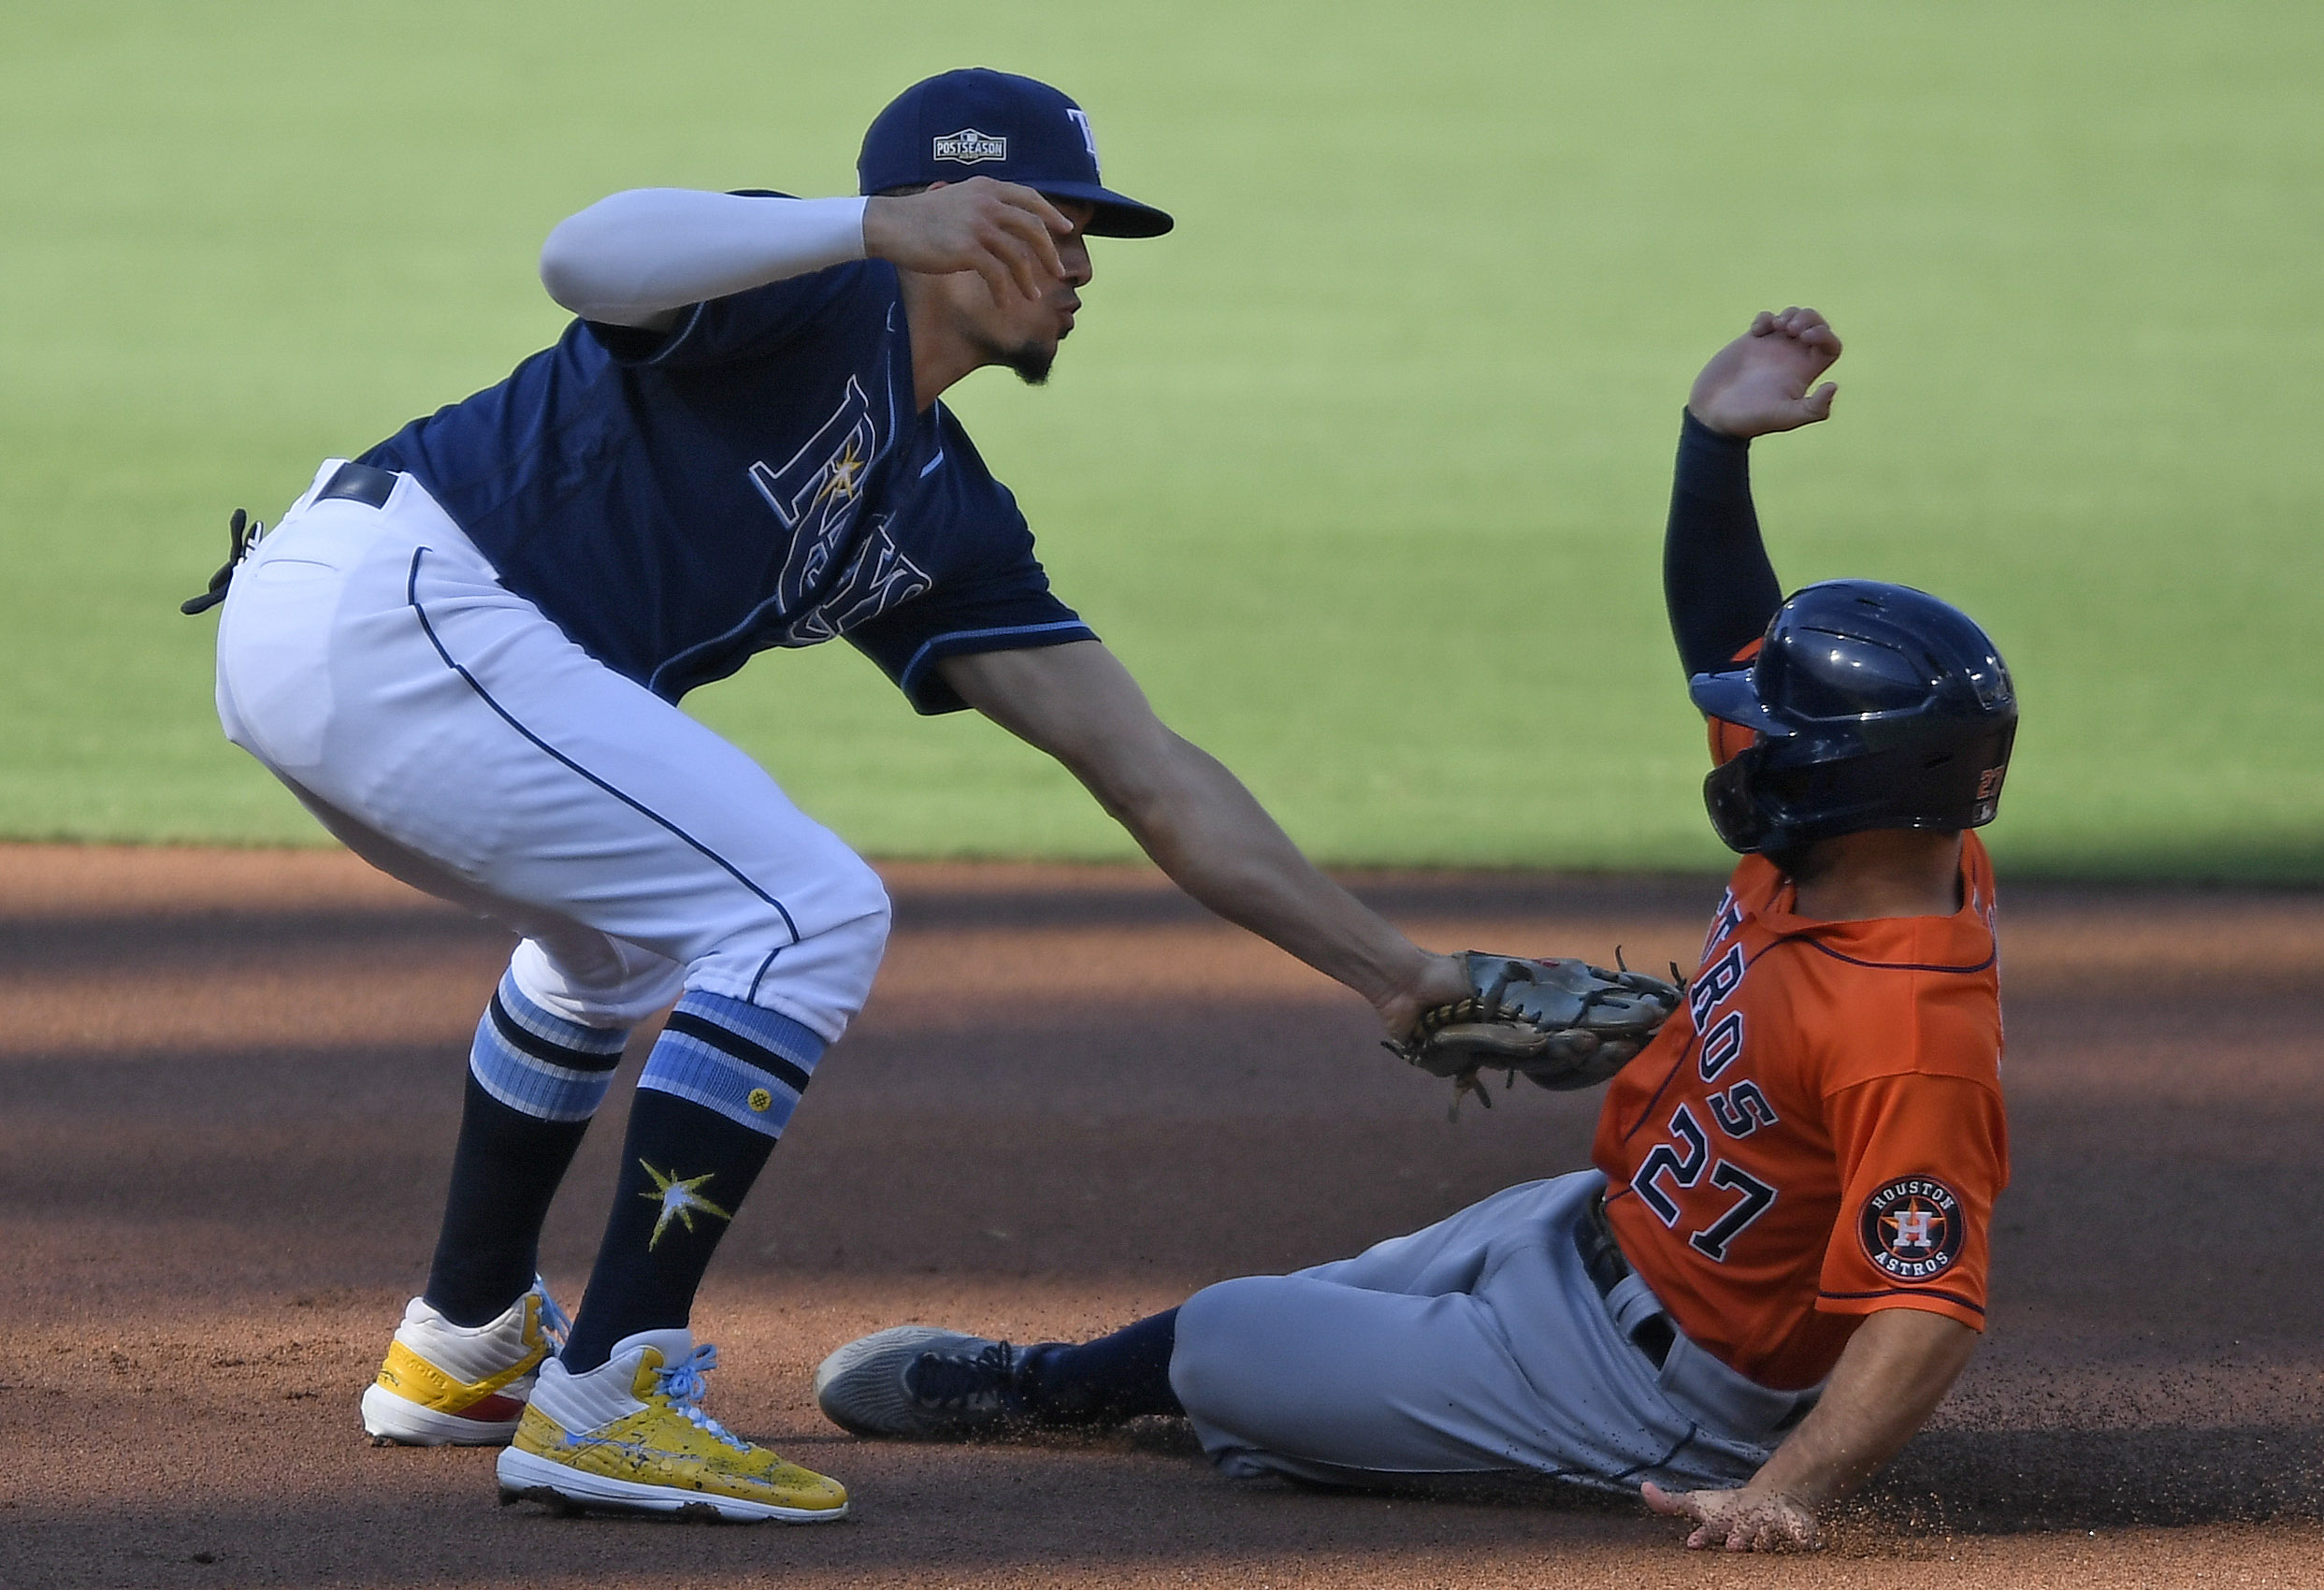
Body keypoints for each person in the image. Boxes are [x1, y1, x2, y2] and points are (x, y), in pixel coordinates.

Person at [197, 67, 1468, 1524]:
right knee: (806, 912)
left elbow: (1152, 774)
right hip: (394, 605)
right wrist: (868, 225)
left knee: (606, 946)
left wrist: (1400, 973)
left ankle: (466, 1346)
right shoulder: (812, 284)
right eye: (1055, 223)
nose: (1081, 263)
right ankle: (613, 1393)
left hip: (392, 646)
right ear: (953, 207)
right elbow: (581, 256)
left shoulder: (941, 506)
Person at [813, 307, 2021, 1553]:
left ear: (1836, 776)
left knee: (1235, 1340)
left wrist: (1786, 1491)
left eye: (1764, 726)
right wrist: (1711, 444)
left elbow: (1928, 1307)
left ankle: (1402, 1438)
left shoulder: (1905, 1036)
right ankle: (1054, 1386)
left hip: (1661, 1393)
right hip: (1584, 1228)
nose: (1736, 730)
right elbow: (1725, 632)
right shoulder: (1875, 835)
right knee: (1314, 1300)